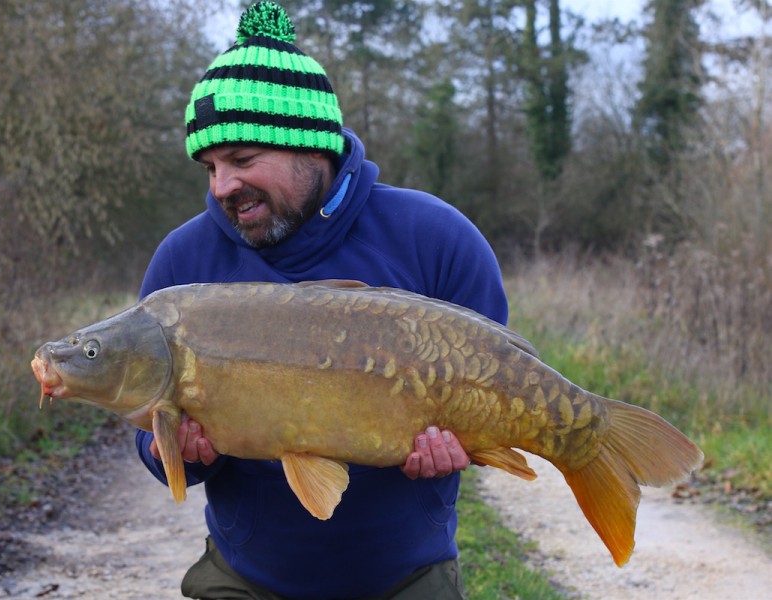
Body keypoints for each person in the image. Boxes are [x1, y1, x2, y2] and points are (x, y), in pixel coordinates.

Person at [135, 3, 508, 598]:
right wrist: (179, 452)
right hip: (247, 578)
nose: (222, 187)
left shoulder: (437, 239)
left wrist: (462, 443)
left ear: (313, 150)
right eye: (209, 167)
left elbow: (494, 385)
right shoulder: (183, 268)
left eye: (242, 160)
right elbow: (154, 445)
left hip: (406, 576)